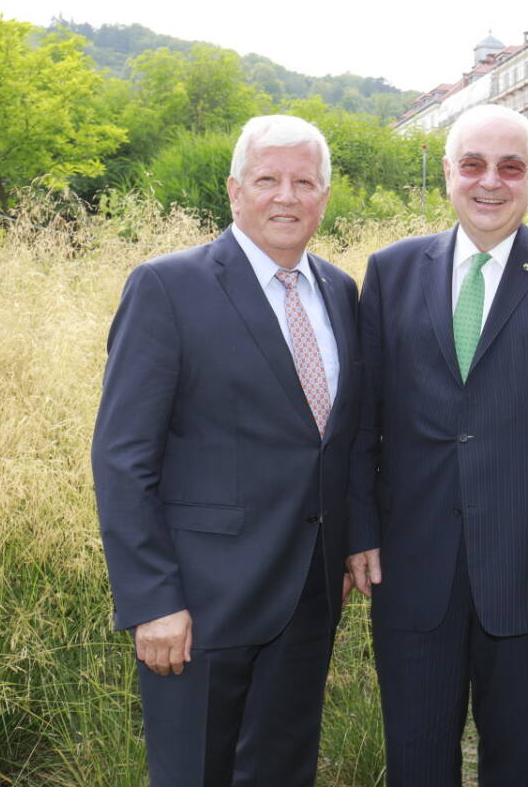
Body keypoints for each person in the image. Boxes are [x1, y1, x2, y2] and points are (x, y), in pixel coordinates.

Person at [345, 103, 528, 786]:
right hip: (410, 566)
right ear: (448, 174)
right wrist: (359, 530)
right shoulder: (390, 272)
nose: (489, 182)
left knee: (518, 758)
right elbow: (360, 423)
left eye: (509, 167)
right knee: (415, 757)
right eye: (472, 164)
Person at [91, 115, 359, 787]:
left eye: (304, 181)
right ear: (235, 190)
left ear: (324, 197)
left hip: (307, 598)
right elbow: (123, 457)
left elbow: (341, 441)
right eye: (268, 179)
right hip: (200, 607)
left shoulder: (341, 291)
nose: (287, 196)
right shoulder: (167, 286)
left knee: (283, 772)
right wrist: (151, 600)